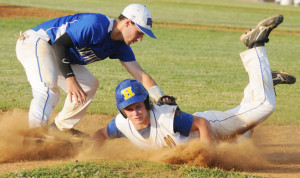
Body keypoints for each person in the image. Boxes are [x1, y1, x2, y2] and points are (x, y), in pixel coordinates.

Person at [93, 15, 296, 150]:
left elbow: (202, 124)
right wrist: (84, 151)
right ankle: (262, 80)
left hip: (210, 127)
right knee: (244, 137)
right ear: (122, 112)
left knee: (264, 107)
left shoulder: (166, 118)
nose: (135, 112)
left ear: (147, 104)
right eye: (129, 109)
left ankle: (255, 45)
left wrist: (206, 156)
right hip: (202, 138)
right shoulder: (121, 124)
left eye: (138, 106)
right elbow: (101, 134)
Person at [16, 4, 166, 136]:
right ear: (127, 23)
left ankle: (59, 129)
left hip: (58, 56)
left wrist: (161, 97)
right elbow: (59, 46)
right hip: (37, 42)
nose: (140, 39)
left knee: (88, 84)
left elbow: (140, 75)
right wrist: (70, 78)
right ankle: (35, 135)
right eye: (140, 32)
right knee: (47, 89)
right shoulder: (96, 24)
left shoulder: (120, 46)